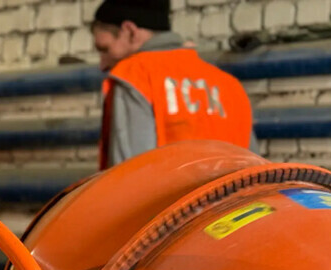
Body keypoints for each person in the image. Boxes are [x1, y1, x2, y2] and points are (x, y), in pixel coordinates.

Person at [92, 0, 258, 169]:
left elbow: (129, 179)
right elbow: (256, 176)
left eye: (105, 49)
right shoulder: (229, 85)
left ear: (130, 31)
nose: (102, 65)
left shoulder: (134, 76)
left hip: (167, 196)